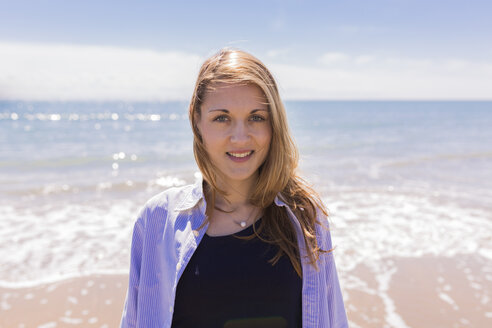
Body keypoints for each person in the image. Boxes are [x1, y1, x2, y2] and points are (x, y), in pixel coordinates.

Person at [120, 48, 348, 328]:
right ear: (197, 122)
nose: (240, 137)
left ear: (273, 124)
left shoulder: (305, 217)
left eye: (256, 117)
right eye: (222, 118)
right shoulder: (158, 220)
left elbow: (334, 320)